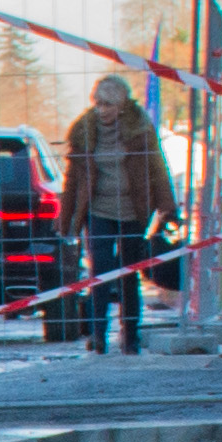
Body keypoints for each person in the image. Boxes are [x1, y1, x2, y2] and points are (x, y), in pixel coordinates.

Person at [64, 71, 178, 354]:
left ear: (123, 105)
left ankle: (130, 335)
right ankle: (98, 334)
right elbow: (73, 178)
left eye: (109, 105)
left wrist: (169, 209)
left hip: (133, 211)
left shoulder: (140, 129)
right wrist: (66, 218)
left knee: (129, 273)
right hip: (98, 210)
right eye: (99, 103)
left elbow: (157, 169)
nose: (103, 111)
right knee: (100, 272)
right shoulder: (84, 131)